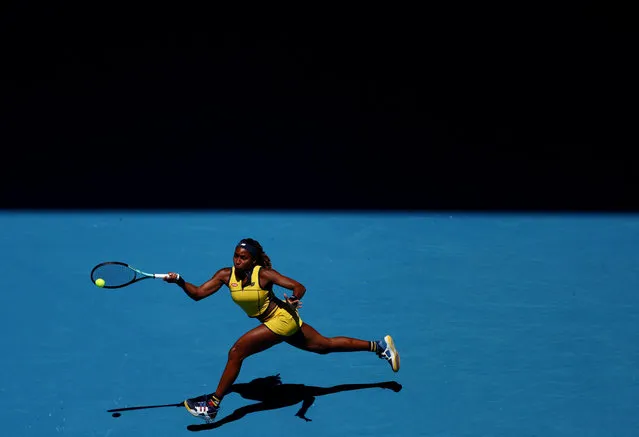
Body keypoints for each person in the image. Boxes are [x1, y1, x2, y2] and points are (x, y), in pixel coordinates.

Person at [163, 238, 400, 423]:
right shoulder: (225, 275)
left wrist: (295, 299)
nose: (238, 261)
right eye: (236, 256)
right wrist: (180, 281)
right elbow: (198, 294)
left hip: (281, 319)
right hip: (275, 321)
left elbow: (299, 286)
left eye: (243, 258)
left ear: (253, 260)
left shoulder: (264, 275)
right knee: (324, 346)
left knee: (237, 352)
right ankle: (379, 346)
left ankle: (213, 405)